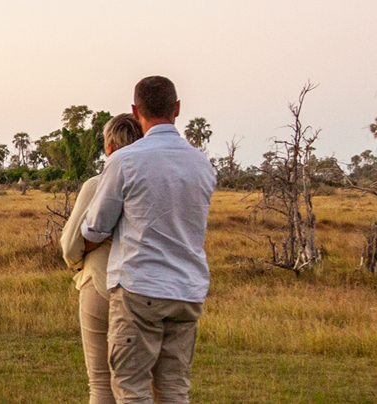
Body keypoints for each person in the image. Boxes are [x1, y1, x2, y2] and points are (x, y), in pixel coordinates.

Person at [80, 76, 216, 404]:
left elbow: (95, 228)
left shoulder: (124, 161)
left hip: (139, 290)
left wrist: (82, 251)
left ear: (134, 110)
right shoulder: (202, 164)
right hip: (187, 291)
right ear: (177, 108)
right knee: (174, 387)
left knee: (131, 387)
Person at [60, 114, 144, 404]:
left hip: (98, 284)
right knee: (137, 382)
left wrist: (80, 259)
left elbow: (70, 245)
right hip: (143, 287)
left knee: (100, 382)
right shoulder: (149, 183)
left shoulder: (97, 184)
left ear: (108, 147)